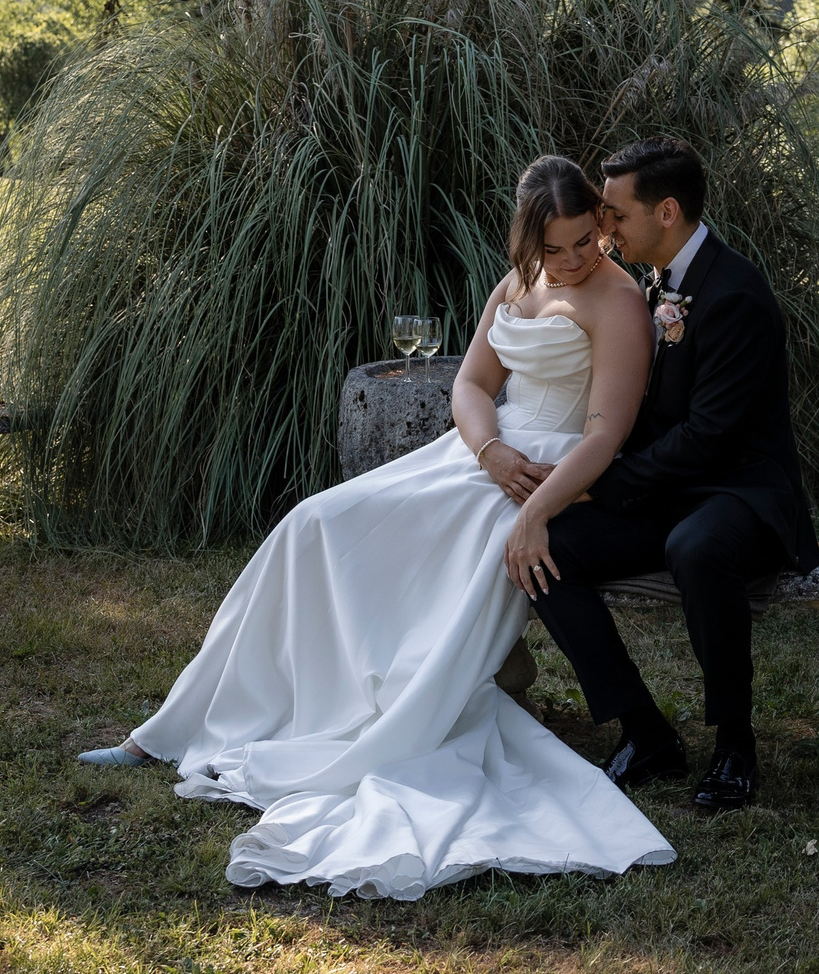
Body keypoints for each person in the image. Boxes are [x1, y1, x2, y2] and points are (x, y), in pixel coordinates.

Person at [77, 156, 676, 900]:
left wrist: (532, 505)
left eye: (586, 239)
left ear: (599, 219)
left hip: (548, 474)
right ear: (527, 242)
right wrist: (486, 446)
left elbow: (604, 435)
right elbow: (470, 382)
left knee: (417, 547)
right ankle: (173, 726)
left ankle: (379, 706)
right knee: (311, 522)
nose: (574, 259)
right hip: (479, 455)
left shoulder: (617, 301)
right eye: (554, 248)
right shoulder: (518, 280)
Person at [522, 137, 819, 812]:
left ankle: (735, 745)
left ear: (666, 212)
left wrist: (605, 482)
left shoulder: (736, 292)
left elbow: (709, 438)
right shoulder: (656, 284)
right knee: (551, 546)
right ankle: (643, 727)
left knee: (697, 546)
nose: (604, 227)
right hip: (669, 490)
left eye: (615, 214)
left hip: (741, 492)